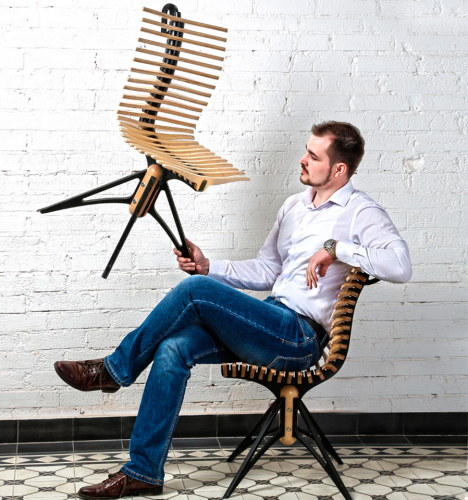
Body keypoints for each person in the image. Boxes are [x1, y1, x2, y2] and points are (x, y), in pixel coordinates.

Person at [54, 121, 412, 499]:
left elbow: (401, 266)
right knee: (173, 347)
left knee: (194, 290)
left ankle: (113, 370)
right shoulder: (294, 206)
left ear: (339, 169)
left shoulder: (360, 212)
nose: (302, 159)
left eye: (313, 155)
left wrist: (337, 248)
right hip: (269, 322)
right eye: (306, 151)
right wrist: (208, 266)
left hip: (298, 339)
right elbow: (268, 270)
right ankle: (143, 472)